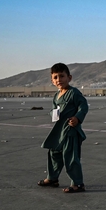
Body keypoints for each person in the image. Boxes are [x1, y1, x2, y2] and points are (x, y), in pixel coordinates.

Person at [38, 63, 89, 193]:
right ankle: (52, 178)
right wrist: (53, 114)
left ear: (69, 78)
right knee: (54, 153)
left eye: (62, 76)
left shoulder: (74, 93)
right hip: (58, 131)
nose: (59, 80)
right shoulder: (56, 96)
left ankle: (78, 184)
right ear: (52, 80)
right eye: (55, 77)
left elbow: (83, 106)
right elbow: (54, 110)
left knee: (71, 157)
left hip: (71, 131)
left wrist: (77, 118)